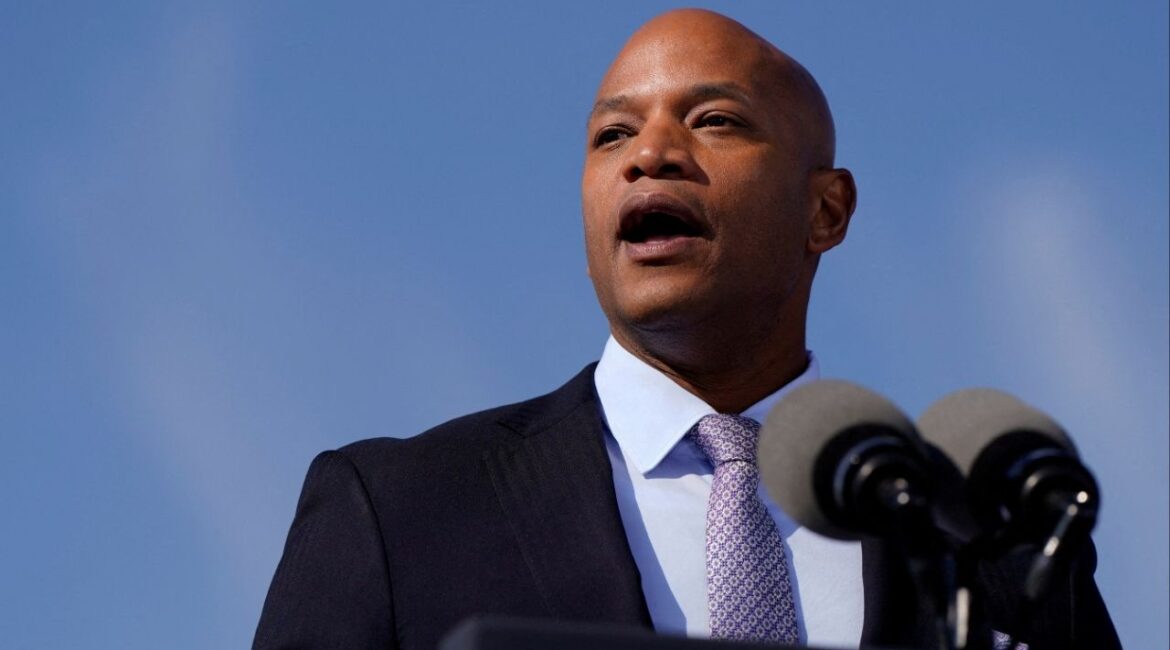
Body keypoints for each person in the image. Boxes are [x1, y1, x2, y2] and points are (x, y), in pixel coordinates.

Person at [254, 9, 1119, 650]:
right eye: (612, 134)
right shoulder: (400, 510)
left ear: (825, 211)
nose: (649, 154)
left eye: (713, 121)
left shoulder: (990, 532)